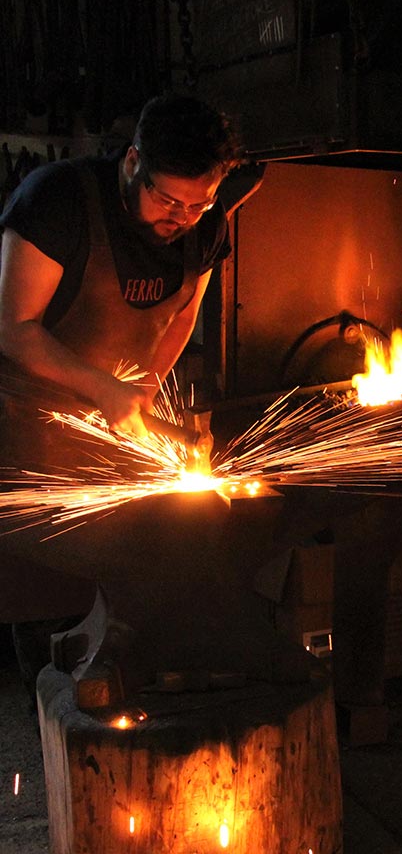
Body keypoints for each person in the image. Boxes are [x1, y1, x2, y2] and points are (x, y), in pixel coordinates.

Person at [0, 93, 244, 699]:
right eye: (167, 198)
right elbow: (13, 327)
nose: (181, 216)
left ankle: (124, 658)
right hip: (24, 415)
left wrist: (141, 390)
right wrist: (101, 390)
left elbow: (184, 312)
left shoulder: (205, 220)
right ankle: (56, 670)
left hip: (108, 408)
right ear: (134, 161)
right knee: (62, 566)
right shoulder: (57, 201)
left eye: (199, 202)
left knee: (163, 531)